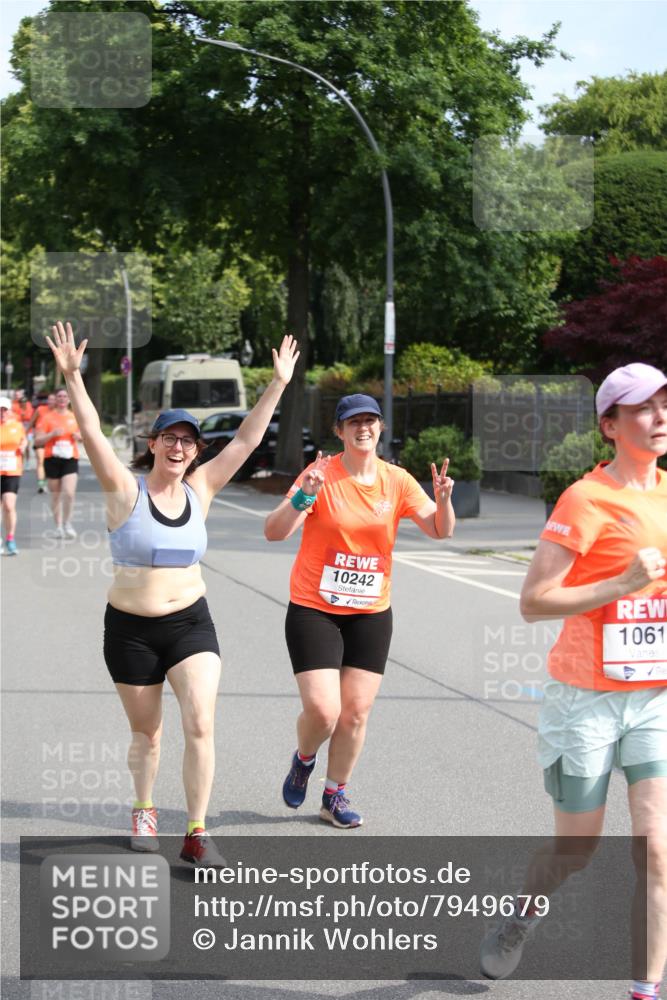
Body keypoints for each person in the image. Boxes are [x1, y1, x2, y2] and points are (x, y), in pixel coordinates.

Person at [45, 320, 299, 865]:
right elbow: (89, 430)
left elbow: (248, 439)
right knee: (148, 735)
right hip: (130, 629)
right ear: (153, 444)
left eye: (188, 440)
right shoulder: (123, 490)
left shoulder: (202, 487)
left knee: (201, 721)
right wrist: (73, 377)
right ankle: (143, 808)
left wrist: (277, 383)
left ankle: (198, 831)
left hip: (190, 624)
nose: (180, 447)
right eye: (170, 438)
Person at [479, 363, 667, 1000]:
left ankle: (644, 989)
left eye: (665, 403)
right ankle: (524, 915)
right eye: (644, 407)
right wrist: (620, 585)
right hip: (584, 700)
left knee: (657, 851)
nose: (660, 415)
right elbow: (534, 601)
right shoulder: (586, 499)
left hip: (652, 700)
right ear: (611, 425)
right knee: (576, 851)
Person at [264, 393, 456, 828]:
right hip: (315, 608)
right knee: (324, 712)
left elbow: (441, 531)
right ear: (340, 431)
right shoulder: (320, 475)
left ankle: (335, 795)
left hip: (371, 611)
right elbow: (274, 532)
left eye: (370, 420)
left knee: (355, 713)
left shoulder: (398, 480)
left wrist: (442, 499)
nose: (363, 428)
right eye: (353, 422)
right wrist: (303, 497)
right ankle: (304, 758)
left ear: (381, 428)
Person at [34, 386, 82, 538]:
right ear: (55, 399)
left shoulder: (75, 417)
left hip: (70, 459)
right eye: (59, 396)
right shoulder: (47, 418)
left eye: (65, 397)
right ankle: (59, 526)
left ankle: (68, 523)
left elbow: (83, 436)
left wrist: (78, 437)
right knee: (56, 495)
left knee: (69, 493)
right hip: (52, 459)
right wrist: (52, 434)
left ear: (69, 400)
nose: (62, 399)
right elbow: (37, 440)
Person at [0, 396, 27, 555]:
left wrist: (23, 445)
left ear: (10, 411)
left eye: (5, 409)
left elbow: (23, 440)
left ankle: (10, 538)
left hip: (12, 470)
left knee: (9, 506)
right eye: (0, 410)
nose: (2, 412)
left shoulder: (17, 426)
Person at [30, 392, 56, 493]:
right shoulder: (40, 409)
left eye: (53, 399)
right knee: (40, 461)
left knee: (48, 462)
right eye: (49, 399)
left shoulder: (58, 412)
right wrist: (26, 432)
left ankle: (48, 480)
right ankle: (41, 484)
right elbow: (32, 422)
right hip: (40, 438)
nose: (51, 401)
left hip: (52, 441)